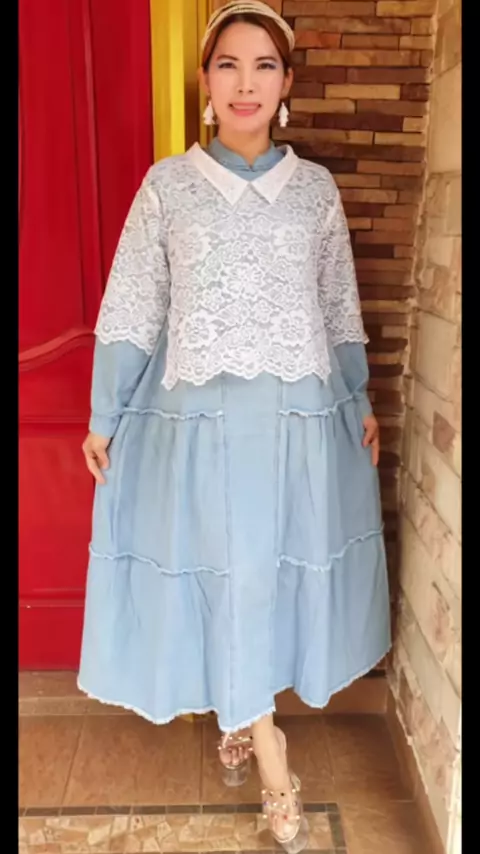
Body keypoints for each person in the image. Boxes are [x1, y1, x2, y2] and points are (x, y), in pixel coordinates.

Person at [79, 2, 391, 850]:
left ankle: (241, 712)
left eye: (263, 66)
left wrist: (360, 399)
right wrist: (106, 411)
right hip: (195, 426)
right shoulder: (167, 187)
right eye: (228, 64)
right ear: (206, 81)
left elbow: (338, 307)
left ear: (286, 85)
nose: (245, 83)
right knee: (222, 573)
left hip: (296, 426)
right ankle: (270, 753)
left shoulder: (315, 191)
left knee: (265, 576)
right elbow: (133, 307)